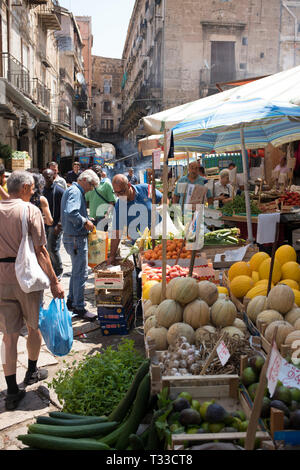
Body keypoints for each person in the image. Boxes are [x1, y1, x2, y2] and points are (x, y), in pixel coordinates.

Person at [0, 171, 64, 411]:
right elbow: (41, 252)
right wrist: (55, 281)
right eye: (33, 188)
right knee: (32, 326)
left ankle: (12, 392)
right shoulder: (30, 211)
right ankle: (31, 371)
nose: (35, 191)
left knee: (8, 335)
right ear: (25, 187)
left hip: (1, 278)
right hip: (25, 277)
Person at [61, 169, 100, 321]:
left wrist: (86, 217)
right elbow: (71, 212)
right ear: (85, 180)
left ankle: (71, 301)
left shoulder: (72, 190)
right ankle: (79, 306)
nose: (91, 189)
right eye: (91, 185)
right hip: (76, 238)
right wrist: (85, 222)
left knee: (76, 272)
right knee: (81, 273)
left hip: (72, 237)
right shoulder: (76, 192)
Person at [107, 175, 163, 264]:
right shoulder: (119, 205)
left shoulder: (145, 188)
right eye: (116, 193)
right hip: (140, 246)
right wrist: (112, 256)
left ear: (128, 185)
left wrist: (162, 207)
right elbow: (117, 231)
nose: (119, 196)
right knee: (141, 272)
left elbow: (163, 198)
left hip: (160, 240)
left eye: (121, 192)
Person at [42, 169, 64, 280]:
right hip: (43, 225)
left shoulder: (59, 191)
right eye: (45, 177)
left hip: (55, 225)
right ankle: (49, 269)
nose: (47, 179)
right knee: (45, 248)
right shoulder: (41, 191)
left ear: (53, 177)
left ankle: (58, 270)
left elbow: (64, 209)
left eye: (49, 177)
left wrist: (59, 225)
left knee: (52, 248)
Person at [85, 166, 116, 230]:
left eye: (98, 171)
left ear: (101, 173)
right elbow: (86, 201)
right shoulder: (89, 186)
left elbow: (112, 202)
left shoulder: (106, 184)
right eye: (95, 171)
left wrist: (107, 215)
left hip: (103, 218)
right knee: (93, 239)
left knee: (102, 238)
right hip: (92, 218)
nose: (97, 173)